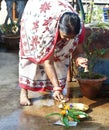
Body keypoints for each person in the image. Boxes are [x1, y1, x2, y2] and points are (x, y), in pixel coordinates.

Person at [19, 0, 88, 106]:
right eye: (65, 37)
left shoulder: (78, 29)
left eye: (72, 38)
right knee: (31, 60)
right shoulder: (46, 32)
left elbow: (78, 50)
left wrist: (79, 58)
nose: (68, 40)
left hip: (54, 9)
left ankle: (56, 92)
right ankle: (23, 92)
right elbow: (48, 62)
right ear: (58, 28)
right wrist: (57, 87)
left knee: (61, 60)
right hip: (35, 17)